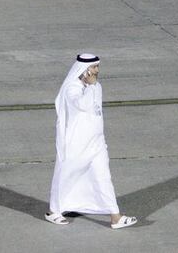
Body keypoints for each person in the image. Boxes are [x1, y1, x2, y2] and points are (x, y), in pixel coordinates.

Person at [46, 54, 138, 230]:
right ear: (85, 69)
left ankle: (115, 216)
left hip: (96, 143)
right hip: (76, 143)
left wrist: (92, 86)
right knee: (66, 175)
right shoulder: (71, 88)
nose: (97, 70)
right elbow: (81, 104)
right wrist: (90, 86)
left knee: (103, 177)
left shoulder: (97, 86)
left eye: (97, 66)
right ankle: (53, 211)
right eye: (94, 67)